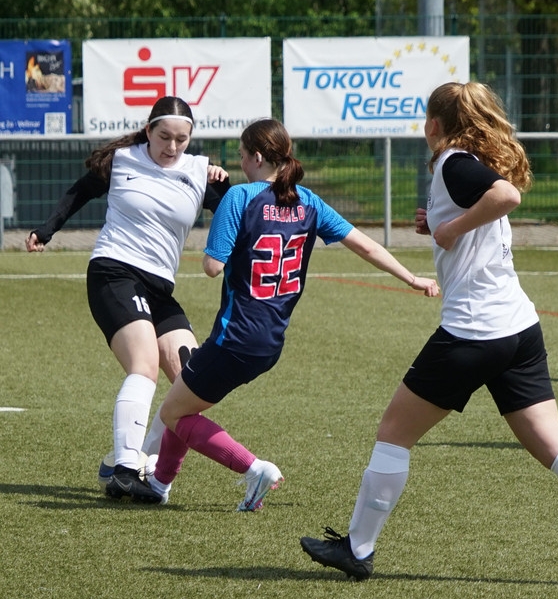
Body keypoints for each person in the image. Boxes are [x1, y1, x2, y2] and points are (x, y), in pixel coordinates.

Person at [300, 81, 558, 585]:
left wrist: (451, 229)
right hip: (518, 328)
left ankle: (357, 550)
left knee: (393, 434)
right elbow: (486, 208)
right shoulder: (462, 164)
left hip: (474, 331)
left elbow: (506, 196)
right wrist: (443, 223)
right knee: (552, 444)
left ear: (434, 125)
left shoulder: (452, 160)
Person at [144, 118, 439, 509]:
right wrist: (411, 277)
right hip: (270, 341)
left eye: (243, 157)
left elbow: (213, 266)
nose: (242, 165)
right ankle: (160, 484)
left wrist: (226, 233)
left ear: (258, 157)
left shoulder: (240, 197)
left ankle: (254, 469)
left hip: (235, 336)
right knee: (185, 402)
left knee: (172, 413)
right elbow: (365, 246)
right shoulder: (309, 202)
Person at [26, 96, 231, 503]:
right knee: (144, 365)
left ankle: (132, 457)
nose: (172, 147)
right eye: (164, 136)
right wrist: (45, 230)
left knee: (193, 382)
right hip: (113, 272)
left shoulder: (198, 171)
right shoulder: (122, 160)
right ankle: (124, 471)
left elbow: (237, 210)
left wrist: (226, 187)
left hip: (160, 288)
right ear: (149, 130)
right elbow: (78, 192)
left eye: (182, 140)